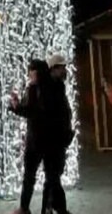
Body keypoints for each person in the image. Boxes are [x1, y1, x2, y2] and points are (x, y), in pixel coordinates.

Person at [9, 58, 59, 214]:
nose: (29, 75)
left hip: (38, 140)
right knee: (49, 177)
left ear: (36, 72)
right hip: (48, 139)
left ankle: (27, 208)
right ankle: (45, 208)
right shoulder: (54, 86)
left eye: (31, 71)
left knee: (32, 176)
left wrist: (17, 107)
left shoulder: (36, 88)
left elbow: (32, 111)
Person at [41, 54, 74, 214]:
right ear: (53, 69)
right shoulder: (48, 88)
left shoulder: (58, 86)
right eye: (62, 68)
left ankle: (51, 206)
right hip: (51, 139)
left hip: (59, 139)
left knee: (54, 175)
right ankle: (58, 207)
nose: (65, 70)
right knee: (53, 176)